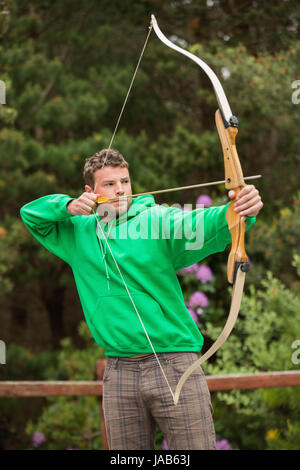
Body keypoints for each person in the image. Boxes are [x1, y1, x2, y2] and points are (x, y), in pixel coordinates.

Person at [20, 148, 263, 450]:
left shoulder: (157, 221)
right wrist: (67, 206)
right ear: (90, 191)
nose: (120, 190)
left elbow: (204, 223)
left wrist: (239, 209)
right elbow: (31, 215)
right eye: (109, 184)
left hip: (175, 364)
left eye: (124, 181)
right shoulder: (77, 232)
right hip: (119, 371)